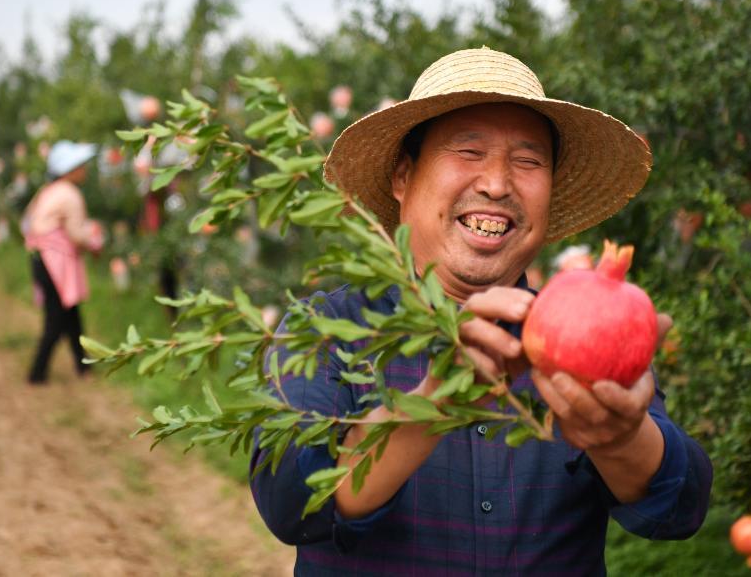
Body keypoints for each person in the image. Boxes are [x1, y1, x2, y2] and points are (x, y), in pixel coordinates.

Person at [249, 47, 713, 574]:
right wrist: (436, 399)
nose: (496, 183)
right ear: (403, 176)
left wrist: (622, 437)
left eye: (528, 160)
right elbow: (293, 501)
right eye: (468, 152)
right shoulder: (325, 331)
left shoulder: (585, 327)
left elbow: (680, 506)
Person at [21, 140, 104, 384]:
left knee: (70, 315)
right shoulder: (69, 194)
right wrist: (96, 240)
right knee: (56, 320)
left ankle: (84, 366)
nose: (85, 169)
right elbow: (78, 234)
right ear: (70, 169)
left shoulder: (47, 190)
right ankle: (37, 374)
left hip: (40, 258)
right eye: (81, 165)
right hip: (54, 263)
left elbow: (27, 223)